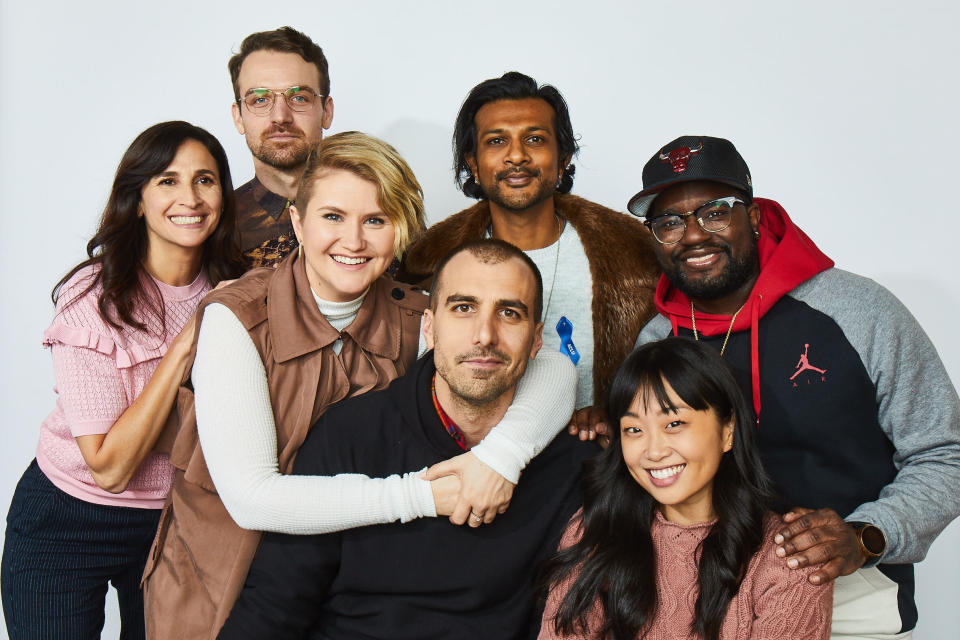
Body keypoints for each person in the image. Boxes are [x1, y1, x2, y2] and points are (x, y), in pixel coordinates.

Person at [143, 133, 578, 639]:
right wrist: (422, 497)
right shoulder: (237, 317)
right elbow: (251, 498)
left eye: (375, 220)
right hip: (220, 569)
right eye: (333, 217)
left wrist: (498, 460)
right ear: (298, 223)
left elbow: (545, 364)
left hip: (336, 566)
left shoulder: (414, 315)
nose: (353, 241)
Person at [629, 135, 960, 638]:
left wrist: (868, 534)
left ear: (756, 216)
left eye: (715, 212)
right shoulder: (657, 338)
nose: (693, 235)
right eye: (669, 222)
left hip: (848, 595)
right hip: (701, 602)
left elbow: (945, 452)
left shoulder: (858, 311)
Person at [218, 239, 600, 640]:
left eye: (509, 313)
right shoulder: (352, 434)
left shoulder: (573, 463)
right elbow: (275, 605)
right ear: (430, 328)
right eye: (463, 308)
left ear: (537, 339)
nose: (484, 335)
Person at [1, 121, 244, 639]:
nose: (190, 198)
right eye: (167, 181)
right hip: (67, 519)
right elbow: (109, 466)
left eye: (205, 180)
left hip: (177, 524)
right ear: (137, 200)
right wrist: (183, 349)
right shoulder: (94, 298)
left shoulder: (239, 291)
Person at [399, 71, 660, 427]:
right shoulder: (429, 263)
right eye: (496, 141)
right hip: (466, 465)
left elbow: (664, 380)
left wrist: (616, 415)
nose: (517, 156)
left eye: (535, 139)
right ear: (472, 163)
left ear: (564, 156)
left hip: (596, 470)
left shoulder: (637, 256)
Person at [539, 338, 832, 639]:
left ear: (727, 431)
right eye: (634, 430)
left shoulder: (791, 556)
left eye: (674, 424)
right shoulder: (594, 529)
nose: (653, 451)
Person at [228, 26, 334, 267]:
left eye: (299, 97)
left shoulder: (380, 203)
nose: (280, 116)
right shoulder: (215, 227)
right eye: (260, 99)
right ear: (238, 117)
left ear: (326, 112)